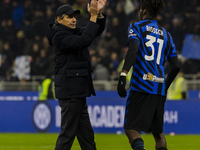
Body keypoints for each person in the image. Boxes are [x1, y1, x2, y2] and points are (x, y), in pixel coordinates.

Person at [117, 0, 180, 150]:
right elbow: (176, 66)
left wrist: (123, 74)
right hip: (158, 88)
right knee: (158, 133)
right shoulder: (167, 35)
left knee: (130, 128)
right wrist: (164, 87)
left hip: (141, 85)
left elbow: (133, 50)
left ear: (143, 11)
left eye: (139, 10)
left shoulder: (136, 27)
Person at [47, 0, 107, 150]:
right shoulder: (59, 36)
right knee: (67, 136)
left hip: (78, 92)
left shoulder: (72, 32)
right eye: (69, 17)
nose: (74, 19)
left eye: (74, 16)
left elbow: (95, 31)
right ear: (59, 19)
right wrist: (92, 16)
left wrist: (98, 14)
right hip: (70, 92)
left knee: (87, 138)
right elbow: (85, 40)